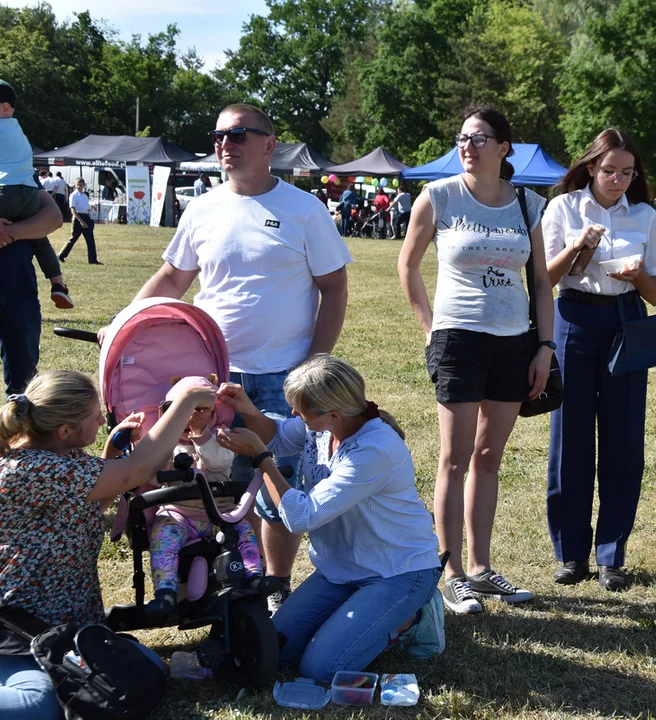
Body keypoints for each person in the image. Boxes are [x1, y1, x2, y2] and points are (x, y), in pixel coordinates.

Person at [112, 103, 351, 614]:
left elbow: (334, 289)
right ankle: (222, 580)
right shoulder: (202, 209)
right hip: (206, 375)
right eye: (219, 136)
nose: (226, 144)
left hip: (282, 375)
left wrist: (313, 366)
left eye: (240, 134)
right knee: (205, 483)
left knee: (275, 481)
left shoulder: (305, 210)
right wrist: (123, 324)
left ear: (270, 144)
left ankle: (275, 585)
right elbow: (173, 281)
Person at [397, 105, 553, 614]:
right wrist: (430, 329)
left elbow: (543, 283)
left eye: (480, 138)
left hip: (514, 342)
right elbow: (409, 266)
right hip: (458, 339)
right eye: (463, 138)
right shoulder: (438, 196)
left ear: (505, 148)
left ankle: (482, 569)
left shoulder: (530, 204)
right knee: (454, 458)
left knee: (489, 460)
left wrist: (545, 347)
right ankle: (453, 573)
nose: (467, 146)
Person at [214, 355, 444, 683]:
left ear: (332, 414)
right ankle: (362, 614)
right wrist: (249, 411)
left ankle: (415, 619)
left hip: (397, 571)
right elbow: (278, 436)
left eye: (300, 409)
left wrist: (262, 460)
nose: (294, 413)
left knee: (321, 669)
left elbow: (299, 517)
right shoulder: (325, 427)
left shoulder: (373, 450)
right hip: (339, 569)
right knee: (275, 649)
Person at [0, 371, 216, 719]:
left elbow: (95, 503)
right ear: (65, 429)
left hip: (67, 625)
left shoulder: (62, 457)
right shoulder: (33, 468)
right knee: (36, 705)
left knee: (142, 667)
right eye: (95, 415)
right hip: (20, 628)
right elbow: (137, 472)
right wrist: (187, 401)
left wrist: (111, 453)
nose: (103, 420)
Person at [542, 128, 656, 591]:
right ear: (591, 167)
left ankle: (612, 555)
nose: (618, 179)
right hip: (573, 317)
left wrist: (637, 277)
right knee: (570, 438)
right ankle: (571, 554)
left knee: (624, 440)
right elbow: (545, 278)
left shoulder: (643, 215)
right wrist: (578, 246)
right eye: (610, 170)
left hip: (626, 320)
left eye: (627, 172)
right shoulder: (563, 207)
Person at [145, 376, 264, 615]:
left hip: (220, 515)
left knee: (244, 531)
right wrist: (166, 451)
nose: (192, 417)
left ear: (214, 415)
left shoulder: (221, 438)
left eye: (202, 411)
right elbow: (151, 477)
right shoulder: (164, 444)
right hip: (179, 515)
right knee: (163, 536)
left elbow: (220, 461)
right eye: (182, 411)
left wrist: (201, 434)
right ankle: (165, 590)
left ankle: (255, 576)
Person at [0, 81, 71, 309]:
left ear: (4, 107)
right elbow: (51, 217)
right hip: (28, 192)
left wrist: (8, 231)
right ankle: (58, 283)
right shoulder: (20, 134)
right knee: (37, 235)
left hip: (5, 193)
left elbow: (54, 218)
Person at [0, 182, 63, 394]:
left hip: (17, 288)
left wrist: (11, 231)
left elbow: (53, 217)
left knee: (23, 383)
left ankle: (19, 425)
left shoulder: (19, 166)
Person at [58, 178, 101, 265]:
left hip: (86, 217)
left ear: (84, 185)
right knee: (73, 238)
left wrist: (89, 219)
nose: (79, 186)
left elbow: (86, 209)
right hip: (78, 217)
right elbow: (73, 209)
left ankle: (92, 259)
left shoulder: (85, 196)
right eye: (78, 184)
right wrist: (81, 221)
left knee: (90, 240)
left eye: (81, 185)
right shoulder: (74, 195)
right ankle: (61, 255)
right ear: (75, 185)